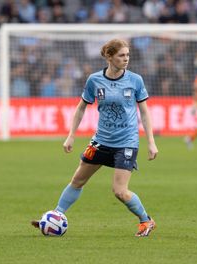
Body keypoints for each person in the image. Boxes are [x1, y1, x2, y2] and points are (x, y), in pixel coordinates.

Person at [31, 39, 159, 237]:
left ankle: (146, 221)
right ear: (109, 57)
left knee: (120, 191)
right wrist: (71, 136)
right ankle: (56, 216)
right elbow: (81, 107)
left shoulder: (135, 80)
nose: (126, 59)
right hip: (100, 140)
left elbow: (144, 112)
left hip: (126, 143)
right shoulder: (94, 80)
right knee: (77, 179)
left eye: (127, 55)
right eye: (121, 55)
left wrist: (151, 141)